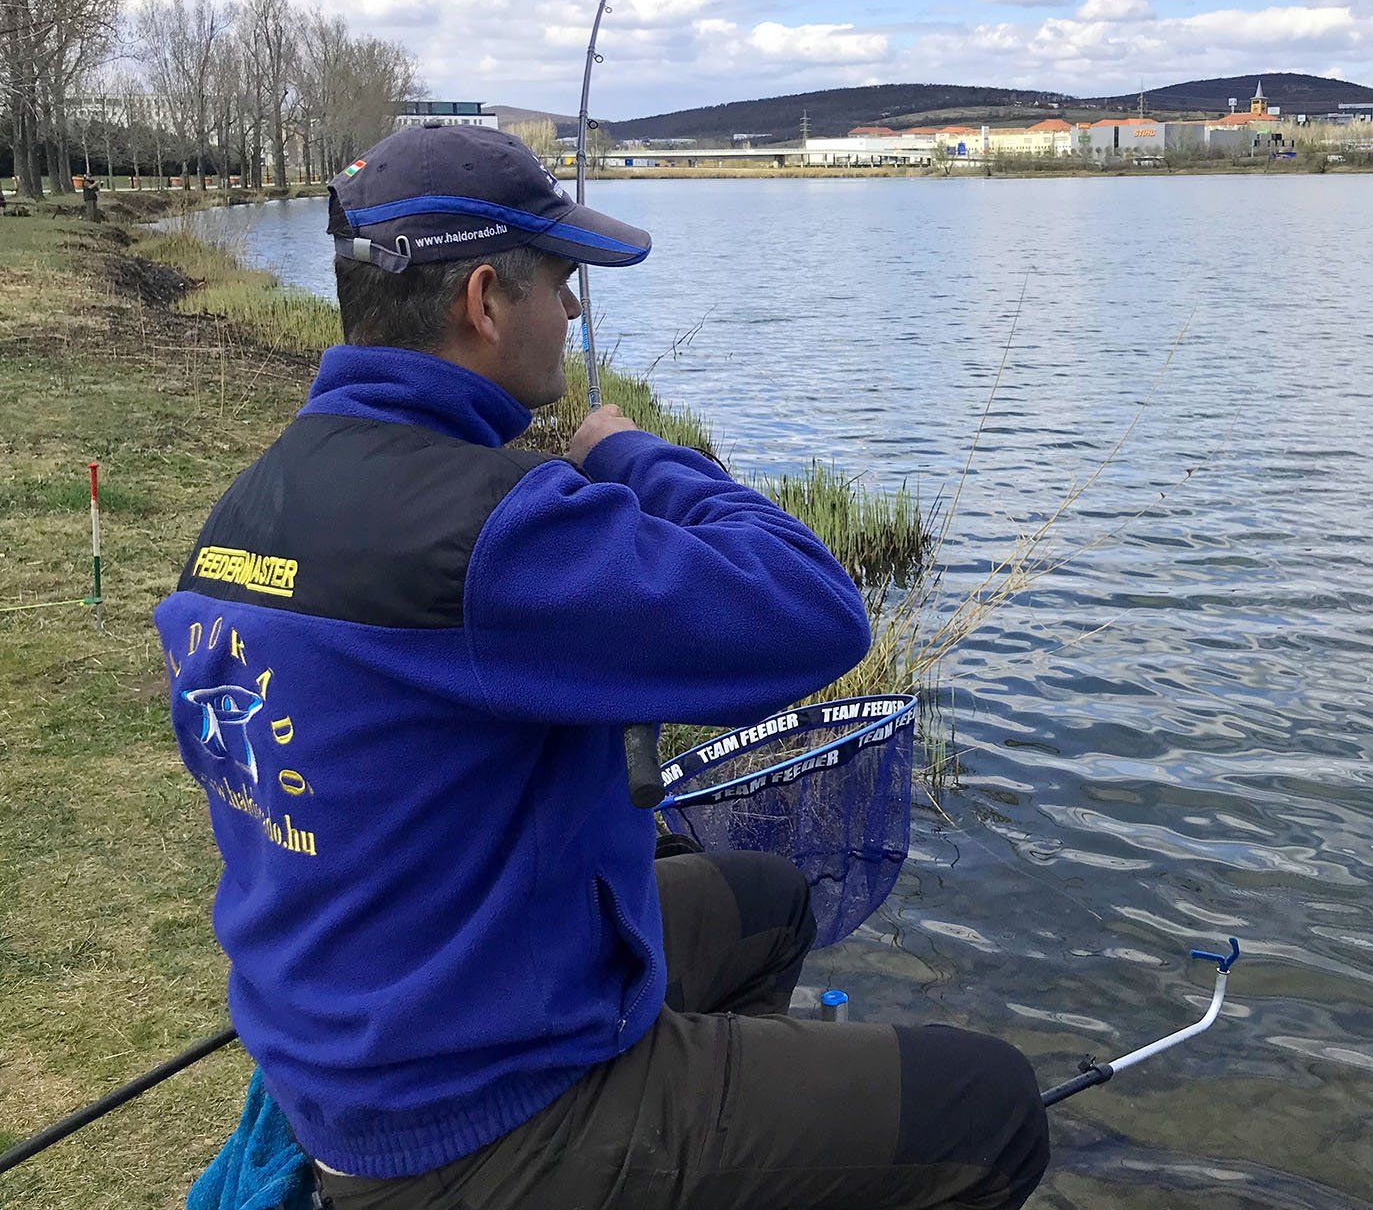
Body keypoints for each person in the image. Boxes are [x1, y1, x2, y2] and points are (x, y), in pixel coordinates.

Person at [154, 124, 1049, 1209]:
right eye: (563, 282)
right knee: (990, 1108)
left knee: (768, 903)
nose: (573, 312)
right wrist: (625, 453)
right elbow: (817, 610)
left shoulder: (247, 511)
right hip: (474, 1123)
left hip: (351, 1046)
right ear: (485, 301)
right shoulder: (491, 533)